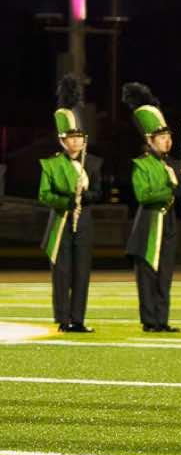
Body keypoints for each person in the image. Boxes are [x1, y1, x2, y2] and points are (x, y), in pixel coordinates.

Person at [121, 82, 181, 333]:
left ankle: (162, 319)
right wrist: (172, 186)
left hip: (169, 223)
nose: (167, 141)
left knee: (165, 275)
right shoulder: (141, 164)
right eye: (162, 137)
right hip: (148, 223)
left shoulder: (174, 164)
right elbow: (144, 195)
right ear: (149, 140)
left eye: (169, 136)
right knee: (147, 275)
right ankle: (149, 320)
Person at [39, 75, 103, 333]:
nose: (76, 141)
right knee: (62, 272)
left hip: (83, 222)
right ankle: (63, 318)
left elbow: (98, 193)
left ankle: (78, 319)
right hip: (60, 221)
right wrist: (66, 201)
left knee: (81, 272)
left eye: (79, 137)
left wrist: (85, 196)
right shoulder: (52, 164)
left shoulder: (93, 163)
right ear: (62, 140)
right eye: (70, 137)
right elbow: (44, 195)